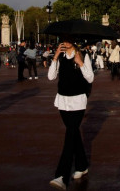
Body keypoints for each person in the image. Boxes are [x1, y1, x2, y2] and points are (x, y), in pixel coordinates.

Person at [47, 38, 94, 190]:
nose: (65, 42)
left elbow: (90, 77)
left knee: (70, 134)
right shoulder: (60, 56)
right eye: (63, 40)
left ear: (74, 41)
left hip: (78, 101)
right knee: (73, 134)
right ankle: (82, 165)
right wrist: (54, 57)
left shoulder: (83, 54)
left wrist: (80, 63)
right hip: (62, 101)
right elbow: (51, 77)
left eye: (68, 40)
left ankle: (61, 175)